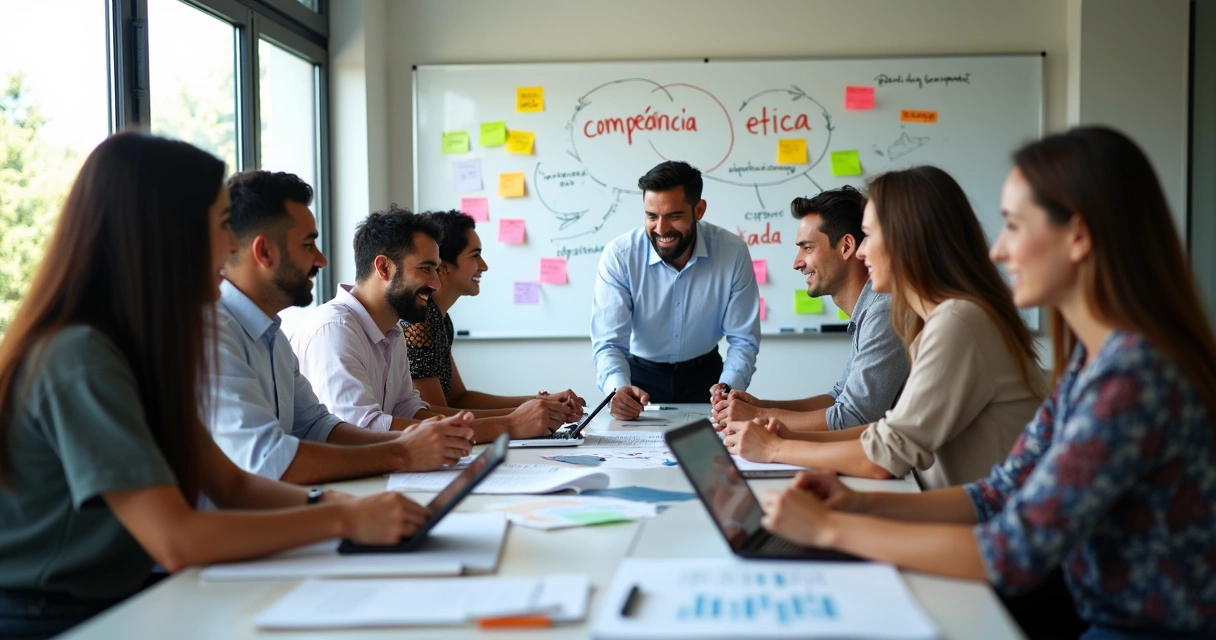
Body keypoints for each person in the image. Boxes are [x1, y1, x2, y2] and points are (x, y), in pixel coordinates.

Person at [760, 127, 1216, 640]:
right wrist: (857, 503)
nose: (999, 251)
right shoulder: (1093, 363)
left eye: (1014, 227)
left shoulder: (1132, 377)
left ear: (1080, 237)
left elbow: (1013, 551)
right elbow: (1002, 491)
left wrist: (828, 528)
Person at [0, 133, 434, 640]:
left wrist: (340, 508)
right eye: (223, 225)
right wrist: (344, 522)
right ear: (166, 233)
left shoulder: (145, 346)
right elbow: (176, 539)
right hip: (55, 618)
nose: (233, 247)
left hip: (122, 596)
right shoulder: (81, 356)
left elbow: (229, 483)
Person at [725, 167, 1043, 490]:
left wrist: (776, 448)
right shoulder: (935, 319)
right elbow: (886, 430)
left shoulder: (957, 322)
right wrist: (784, 435)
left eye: (870, 236)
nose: (862, 252)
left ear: (908, 239)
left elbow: (884, 453)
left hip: (977, 520)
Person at [208, 171, 476, 482]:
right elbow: (269, 460)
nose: (321, 260)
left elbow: (318, 428)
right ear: (264, 252)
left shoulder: (272, 336)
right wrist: (403, 452)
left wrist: (414, 443)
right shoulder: (214, 335)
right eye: (309, 245)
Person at [291, 207, 577, 444]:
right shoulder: (335, 329)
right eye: (425, 269)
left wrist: (517, 419)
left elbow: (412, 411)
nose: (436, 283)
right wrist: (508, 425)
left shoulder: (392, 331)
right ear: (384, 268)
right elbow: (363, 429)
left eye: (436, 269)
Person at [710, 187, 909, 432]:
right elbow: (838, 397)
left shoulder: (882, 313)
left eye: (807, 248)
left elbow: (852, 418)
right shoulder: (868, 311)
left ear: (846, 246)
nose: (797, 263)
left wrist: (758, 416)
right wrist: (759, 406)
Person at [592, 160, 760, 417]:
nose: (661, 229)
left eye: (674, 215)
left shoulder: (732, 252)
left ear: (699, 210)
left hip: (709, 379)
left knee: (713, 454)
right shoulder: (620, 255)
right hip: (639, 379)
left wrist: (728, 388)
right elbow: (609, 343)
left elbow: (743, 340)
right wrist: (617, 390)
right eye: (652, 216)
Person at [401, 209, 586, 416]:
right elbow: (436, 417)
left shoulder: (440, 318)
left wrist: (540, 401)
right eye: (475, 255)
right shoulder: (420, 321)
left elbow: (459, 398)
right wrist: (522, 418)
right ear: (444, 266)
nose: (484, 266)